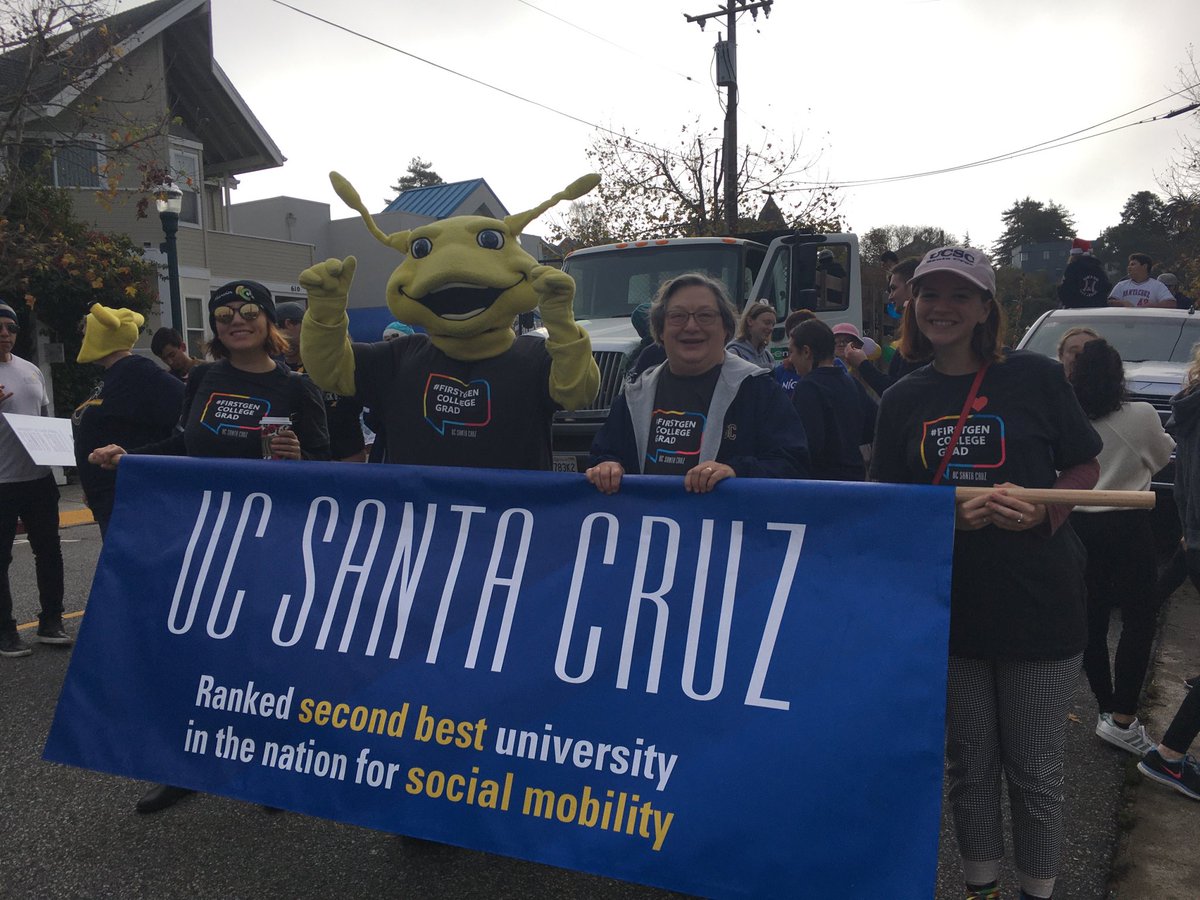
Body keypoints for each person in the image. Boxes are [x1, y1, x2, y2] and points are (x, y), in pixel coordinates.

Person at [870, 247, 1102, 900]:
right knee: (969, 769)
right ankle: (981, 889)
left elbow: (1084, 466)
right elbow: (885, 505)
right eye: (929, 294)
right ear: (911, 305)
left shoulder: (1033, 377)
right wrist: (945, 519)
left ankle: (1039, 890)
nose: (943, 307)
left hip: (1040, 608)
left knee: (1034, 773)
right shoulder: (902, 398)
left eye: (959, 295)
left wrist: (1042, 513)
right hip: (950, 612)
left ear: (984, 309)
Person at [89, 280, 330, 813]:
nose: (235, 321)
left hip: (270, 543)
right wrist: (132, 456)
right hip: (201, 534)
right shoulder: (203, 377)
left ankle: (273, 770)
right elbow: (185, 445)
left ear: (268, 322)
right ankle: (183, 766)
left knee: (267, 657)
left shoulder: (297, 389)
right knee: (193, 648)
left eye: (248, 312)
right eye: (224, 315)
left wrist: (300, 459)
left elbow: (328, 471)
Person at [587, 273, 808, 494]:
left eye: (705, 316)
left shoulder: (759, 391)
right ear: (660, 331)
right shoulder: (634, 395)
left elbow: (793, 465)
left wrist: (737, 472)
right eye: (677, 316)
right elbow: (605, 453)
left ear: (726, 329)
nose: (691, 326)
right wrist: (608, 467)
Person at [1064, 337, 1174, 756]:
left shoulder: (1068, 415)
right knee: (1138, 618)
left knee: (1090, 622)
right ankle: (1124, 715)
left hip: (1078, 523)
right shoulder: (1142, 413)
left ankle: (1105, 707)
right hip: (1129, 521)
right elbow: (1161, 456)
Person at [72, 304, 184, 537]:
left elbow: (186, 409)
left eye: (86, 335)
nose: (83, 341)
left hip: (131, 496)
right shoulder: (114, 375)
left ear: (101, 336)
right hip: (107, 495)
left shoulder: (142, 374)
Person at [0, 302, 71, 658]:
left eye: (10, 328)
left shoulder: (31, 371)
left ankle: (52, 621)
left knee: (49, 550)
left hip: (38, 477)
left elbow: (43, 419)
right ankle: (5, 631)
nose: (5, 334)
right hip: (1, 482)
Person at [277, 301, 365, 462]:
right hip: (306, 458)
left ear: (289, 324)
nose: (277, 340)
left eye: (278, 330)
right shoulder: (278, 369)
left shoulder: (333, 360)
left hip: (346, 455)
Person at [788, 319, 875, 481]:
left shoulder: (808, 387)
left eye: (791, 352)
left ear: (806, 352)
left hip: (823, 484)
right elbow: (873, 425)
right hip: (856, 477)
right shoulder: (851, 382)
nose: (790, 359)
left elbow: (809, 445)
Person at [846, 257, 926, 395]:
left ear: (913, 287)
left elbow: (897, 393)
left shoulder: (921, 337)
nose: (890, 297)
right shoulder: (916, 333)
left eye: (893, 289)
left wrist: (862, 365)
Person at [1107, 253, 1174, 308]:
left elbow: (1171, 303)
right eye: (1129, 265)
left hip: (1147, 322)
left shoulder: (1158, 286)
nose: (1129, 267)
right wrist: (1122, 303)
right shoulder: (1121, 285)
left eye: (1133, 264)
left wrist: (1152, 306)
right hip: (1125, 322)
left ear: (1144, 266)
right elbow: (1109, 302)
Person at [1056, 242, 1111, 309]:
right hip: (1098, 310)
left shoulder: (1072, 268)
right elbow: (1106, 286)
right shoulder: (1098, 268)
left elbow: (1065, 289)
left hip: (1075, 310)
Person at [725, 301, 777, 369]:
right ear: (750, 321)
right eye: (767, 323)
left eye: (773, 325)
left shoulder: (768, 356)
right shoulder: (734, 353)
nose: (771, 328)